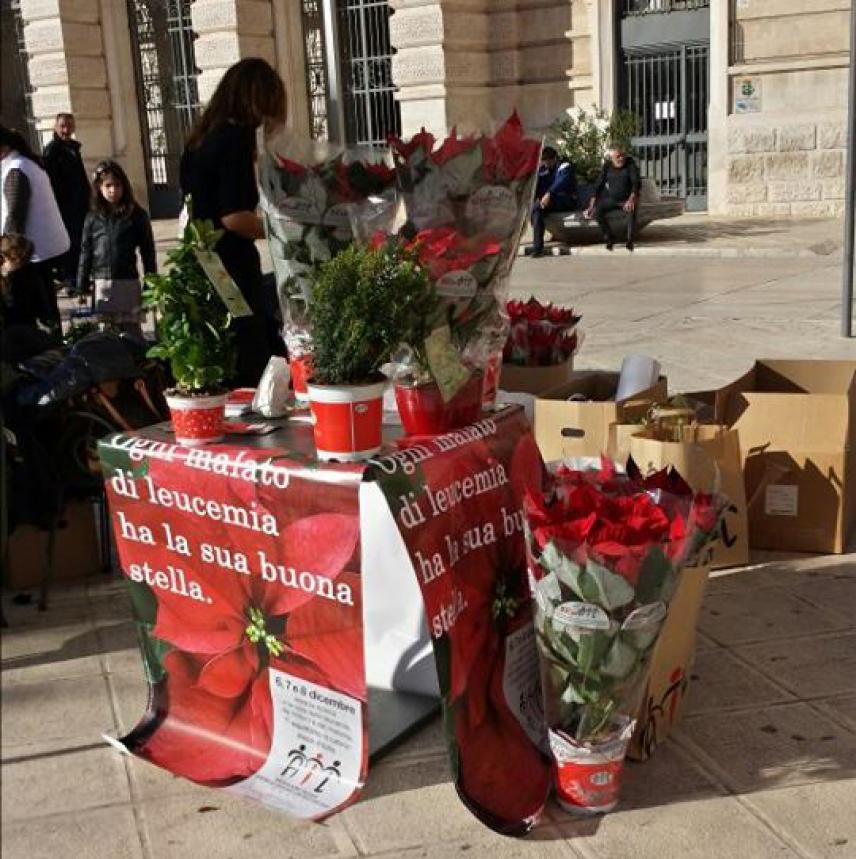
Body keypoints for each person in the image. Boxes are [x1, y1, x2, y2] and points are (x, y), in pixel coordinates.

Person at [179, 57, 287, 386]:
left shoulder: (201, 137)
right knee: (247, 347)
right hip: (230, 264)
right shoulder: (234, 138)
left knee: (221, 347)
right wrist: (283, 232)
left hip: (206, 260)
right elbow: (235, 217)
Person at [0, 125, 69, 331]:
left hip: (26, 255)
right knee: (46, 305)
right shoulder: (23, 163)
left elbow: (14, 216)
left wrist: (6, 257)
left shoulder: (16, 169)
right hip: (36, 251)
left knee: (28, 312)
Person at [77, 160, 156, 338]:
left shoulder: (136, 215)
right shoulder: (93, 218)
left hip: (127, 282)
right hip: (102, 283)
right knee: (105, 335)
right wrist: (81, 285)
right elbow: (85, 252)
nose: (113, 190)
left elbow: (148, 252)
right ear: (99, 187)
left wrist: (150, 285)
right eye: (108, 185)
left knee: (131, 332)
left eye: (118, 185)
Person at [42, 113, 91, 292]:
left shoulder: (73, 148)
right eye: (62, 126)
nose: (66, 130)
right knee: (70, 244)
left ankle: (79, 278)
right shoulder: (52, 151)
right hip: (64, 207)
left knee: (81, 242)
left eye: (69, 126)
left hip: (79, 206)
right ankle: (71, 279)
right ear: (55, 127)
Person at [585, 146, 642, 251]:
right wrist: (592, 204)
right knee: (597, 211)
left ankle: (629, 240)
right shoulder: (607, 166)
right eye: (618, 156)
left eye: (622, 155)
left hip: (627, 199)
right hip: (613, 199)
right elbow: (599, 185)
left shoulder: (630, 164)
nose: (621, 159)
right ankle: (609, 237)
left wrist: (631, 199)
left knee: (632, 210)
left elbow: (636, 183)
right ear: (611, 158)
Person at [528, 146, 578, 258]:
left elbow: (561, 183)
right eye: (544, 161)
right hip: (549, 202)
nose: (546, 164)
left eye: (548, 161)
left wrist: (549, 193)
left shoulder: (564, 167)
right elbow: (536, 184)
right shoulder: (543, 169)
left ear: (555, 158)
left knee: (538, 209)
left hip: (566, 200)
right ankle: (537, 248)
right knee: (536, 209)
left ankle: (538, 249)